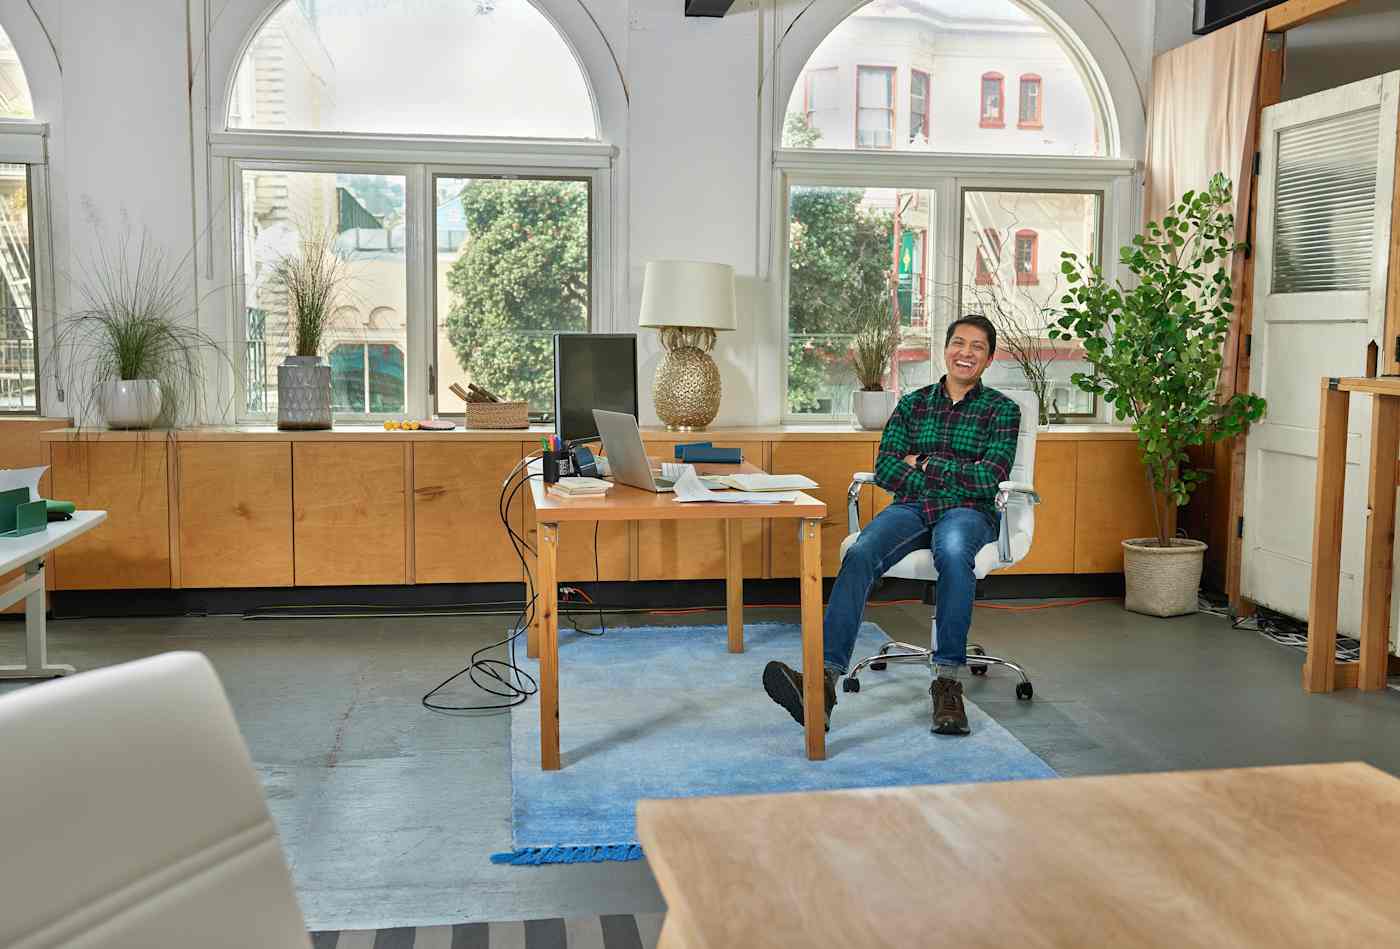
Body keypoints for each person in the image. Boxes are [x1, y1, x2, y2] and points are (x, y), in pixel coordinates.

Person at [763, 314, 1020, 736]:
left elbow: (988, 477)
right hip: (913, 506)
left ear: (988, 359)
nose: (965, 353)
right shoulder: (913, 404)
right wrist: (944, 471)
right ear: (946, 349)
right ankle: (822, 682)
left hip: (968, 512)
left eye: (977, 347)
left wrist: (922, 462)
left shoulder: (1002, 411)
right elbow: (885, 469)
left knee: (955, 555)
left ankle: (948, 683)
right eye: (959, 343)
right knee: (861, 551)